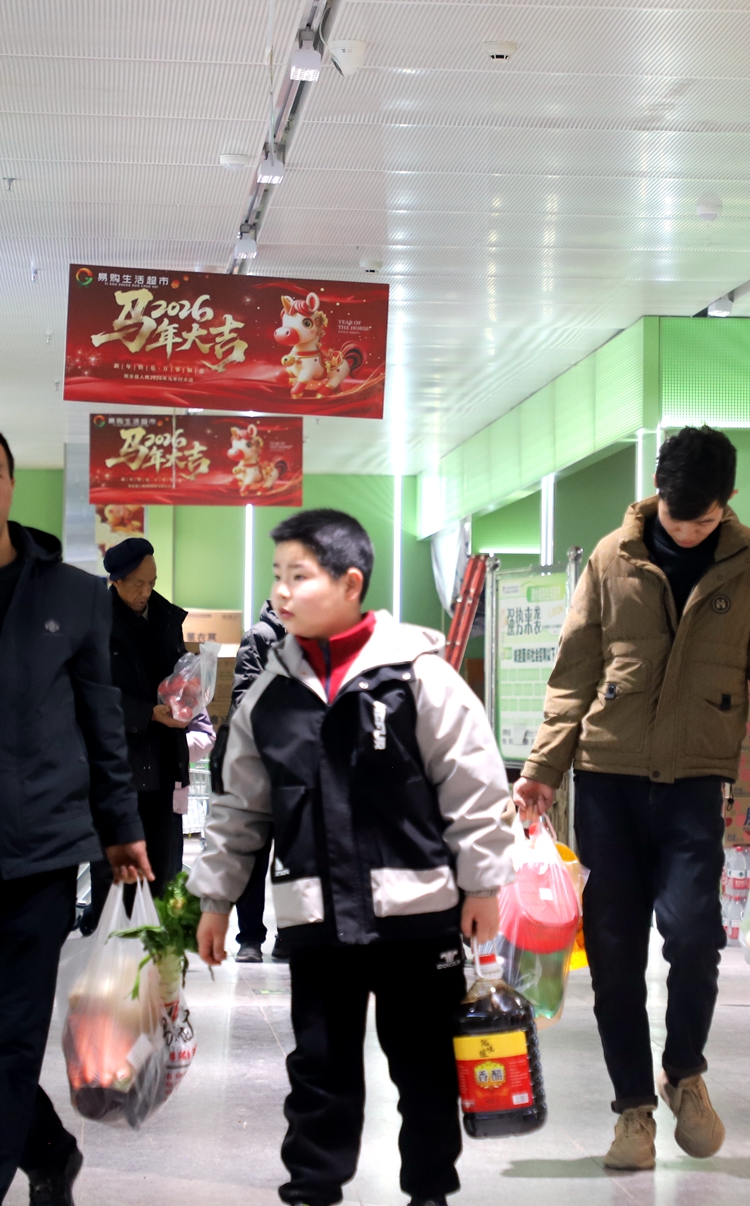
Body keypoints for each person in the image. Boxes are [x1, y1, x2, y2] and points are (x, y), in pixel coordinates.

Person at [191, 509, 515, 1206]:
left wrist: (483, 884)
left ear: (350, 583)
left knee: (426, 1067)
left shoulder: (419, 678)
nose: (281, 591)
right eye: (276, 576)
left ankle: (429, 1191)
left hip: (417, 918)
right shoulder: (269, 697)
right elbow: (239, 808)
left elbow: (475, 784)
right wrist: (215, 898)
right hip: (316, 920)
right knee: (319, 1069)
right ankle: (312, 1190)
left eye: (298, 576)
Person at [515, 425, 750, 1171]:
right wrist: (542, 767)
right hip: (607, 776)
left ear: (729, 500)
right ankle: (632, 1111)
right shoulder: (612, 556)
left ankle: (684, 1071)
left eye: (702, 520)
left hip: (694, 779)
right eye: (678, 517)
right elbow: (574, 670)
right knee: (614, 950)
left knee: (692, 934)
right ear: (657, 491)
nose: (686, 531)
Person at [0, 419, 152, 1206]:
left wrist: (122, 828)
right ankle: (49, 1149)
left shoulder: (74, 596)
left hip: (44, 848)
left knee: (14, 1032)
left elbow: (102, 720)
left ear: (13, 484)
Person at [92, 536, 193, 915]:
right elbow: (92, 697)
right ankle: (114, 946)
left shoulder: (167, 619)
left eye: (152, 582)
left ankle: (156, 947)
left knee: (162, 873)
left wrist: (188, 693)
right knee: (117, 879)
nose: (146, 592)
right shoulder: (96, 623)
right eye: (138, 584)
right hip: (118, 771)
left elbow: (178, 674)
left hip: (165, 764)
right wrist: (146, 713)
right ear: (116, 581)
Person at [215, 600, 288, 963]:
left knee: (293, 858)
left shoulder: (315, 638)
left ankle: (289, 934)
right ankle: (250, 938)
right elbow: (243, 695)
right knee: (254, 855)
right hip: (259, 765)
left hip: (296, 769)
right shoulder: (260, 636)